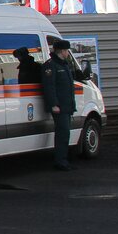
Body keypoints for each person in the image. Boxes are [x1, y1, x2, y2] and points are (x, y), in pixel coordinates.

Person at [41, 39, 76, 171]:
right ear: (62, 51)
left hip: (66, 106)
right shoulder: (51, 65)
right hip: (59, 107)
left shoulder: (63, 65)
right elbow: (49, 86)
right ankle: (60, 161)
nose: (68, 53)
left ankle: (63, 160)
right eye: (67, 50)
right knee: (62, 133)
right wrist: (53, 104)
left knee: (65, 133)